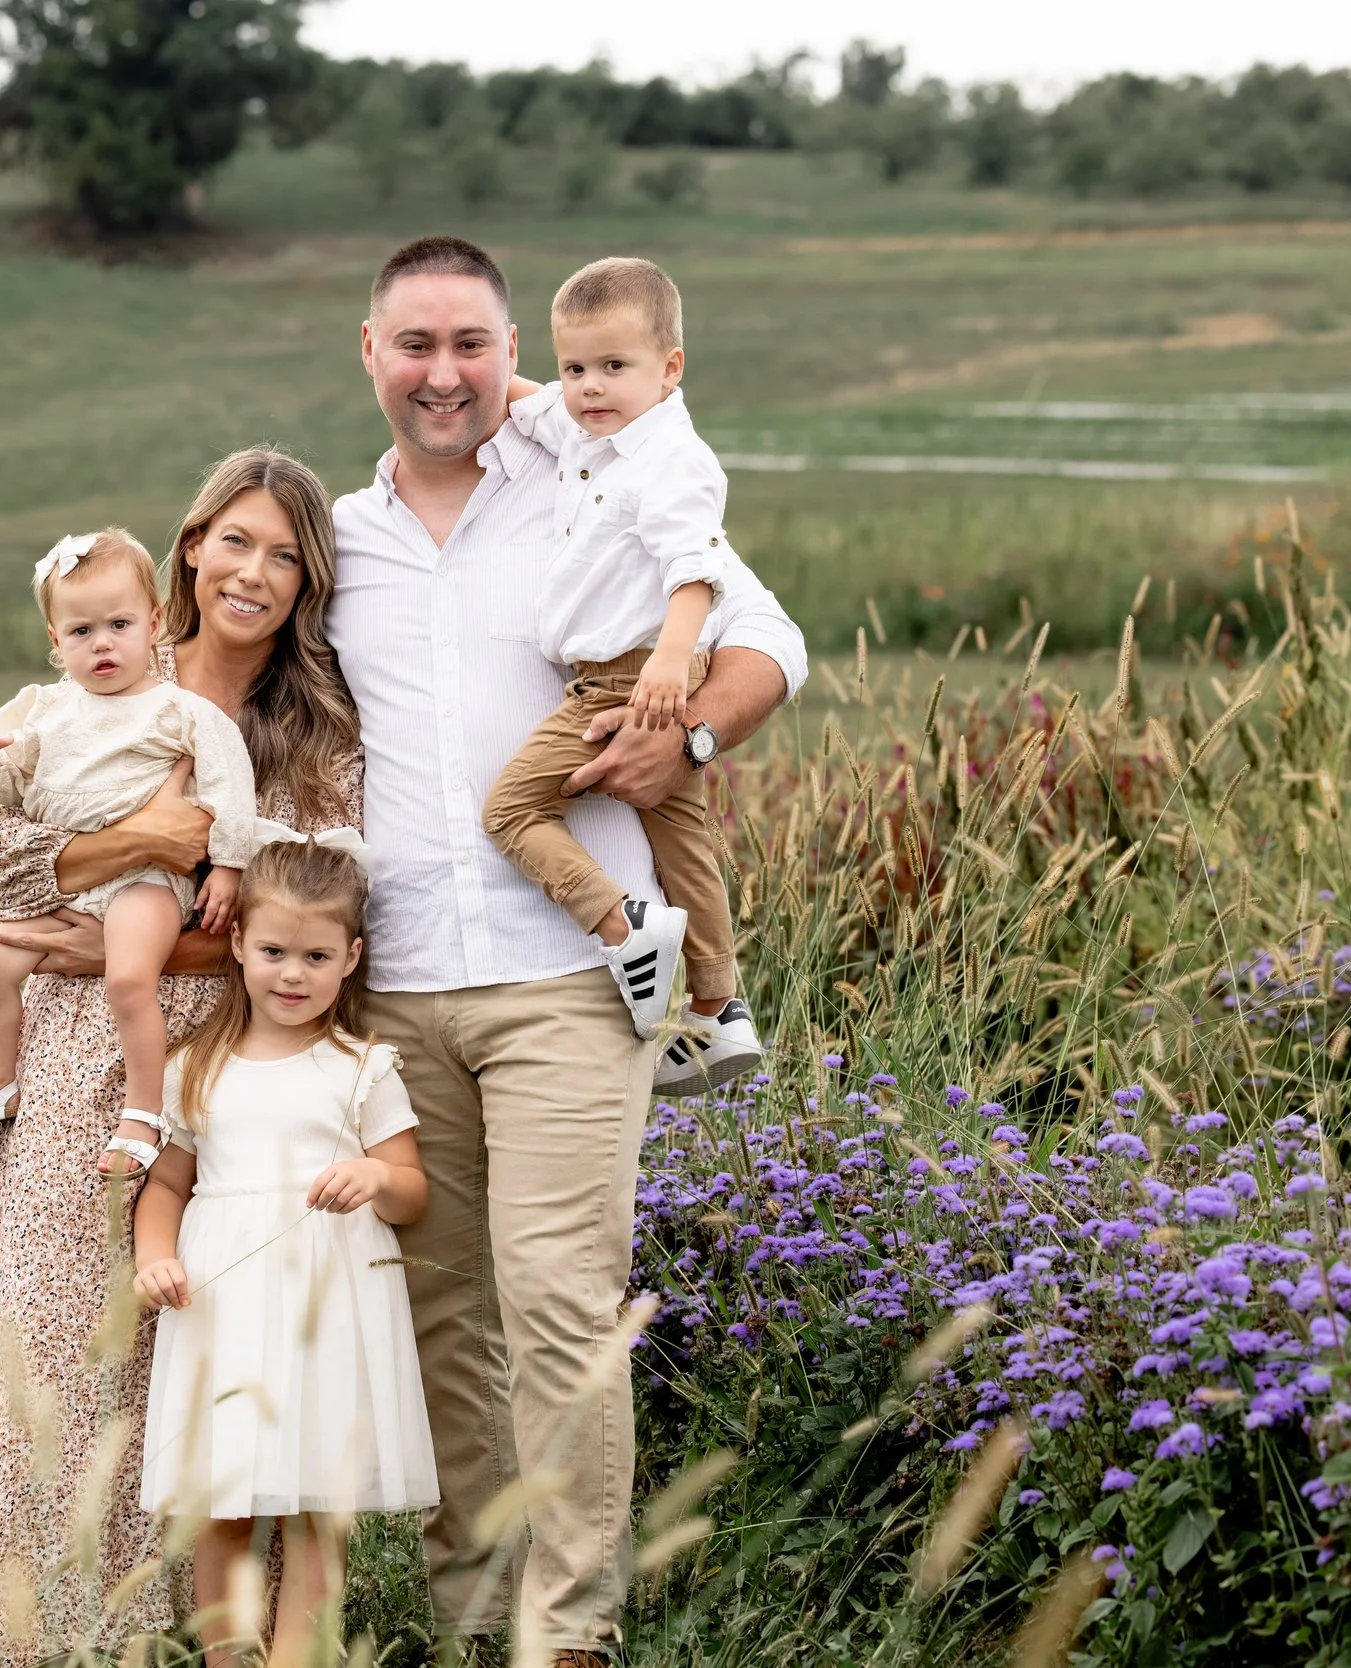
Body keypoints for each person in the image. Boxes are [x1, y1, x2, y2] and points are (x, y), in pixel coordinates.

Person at [327, 235, 806, 1663]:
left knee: (557, 1299)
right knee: (442, 1317)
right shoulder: (335, 542)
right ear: (371, 353)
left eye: (470, 344)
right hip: (397, 987)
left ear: (507, 354)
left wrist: (693, 739)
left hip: (570, 979)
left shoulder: (591, 482)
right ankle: (469, 1618)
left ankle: (571, 1629)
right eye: (415, 346)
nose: (443, 374)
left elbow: (767, 635)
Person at [0, 448, 364, 1661]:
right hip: (82, 1055)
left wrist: (146, 947)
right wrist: (139, 838)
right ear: (190, 546)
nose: (253, 572)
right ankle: (48, 1625)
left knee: (212, 1329)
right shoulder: (98, 666)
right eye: (234, 540)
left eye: (284, 555)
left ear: (307, 581)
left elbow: (324, 935)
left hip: (236, 1057)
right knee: (62, 1322)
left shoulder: (318, 732)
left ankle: (201, 1632)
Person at [133, 835, 437, 1668]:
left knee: (317, 1512)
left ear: (352, 958)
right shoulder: (196, 1068)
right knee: (222, 1505)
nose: (291, 974)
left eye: (315, 955)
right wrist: (154, 1257)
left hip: (327, 1307)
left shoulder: (364, 1067)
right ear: (237, 946)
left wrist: (374, 1173)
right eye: (272, 951)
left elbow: (413, 1190)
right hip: (222, 1306)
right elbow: (165, 1186)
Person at [480, 255, 768, 1093]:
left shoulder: (670, 459)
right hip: (638, 674)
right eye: (576, 368)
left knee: (511, 808)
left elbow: (696, 566)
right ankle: (719, 1007)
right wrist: (479, 367)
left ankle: (620, 925)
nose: (589, 387)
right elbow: (525, 398)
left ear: (670, 367)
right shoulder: (586, 429)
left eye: (613, 367)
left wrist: (673, 664)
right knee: (682, 840)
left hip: (630, 680)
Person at [0, 527, 259, 1151]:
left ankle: (143, 1112)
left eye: (119, 625)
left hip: (145, 882)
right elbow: (9, 785)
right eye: (81, 632)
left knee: (129, 978)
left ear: (155, 622)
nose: (102, 644)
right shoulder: (49, 709)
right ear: (56, 641)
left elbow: (230, 787)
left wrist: (230, 867)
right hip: (78, 884)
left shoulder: (180, 712)